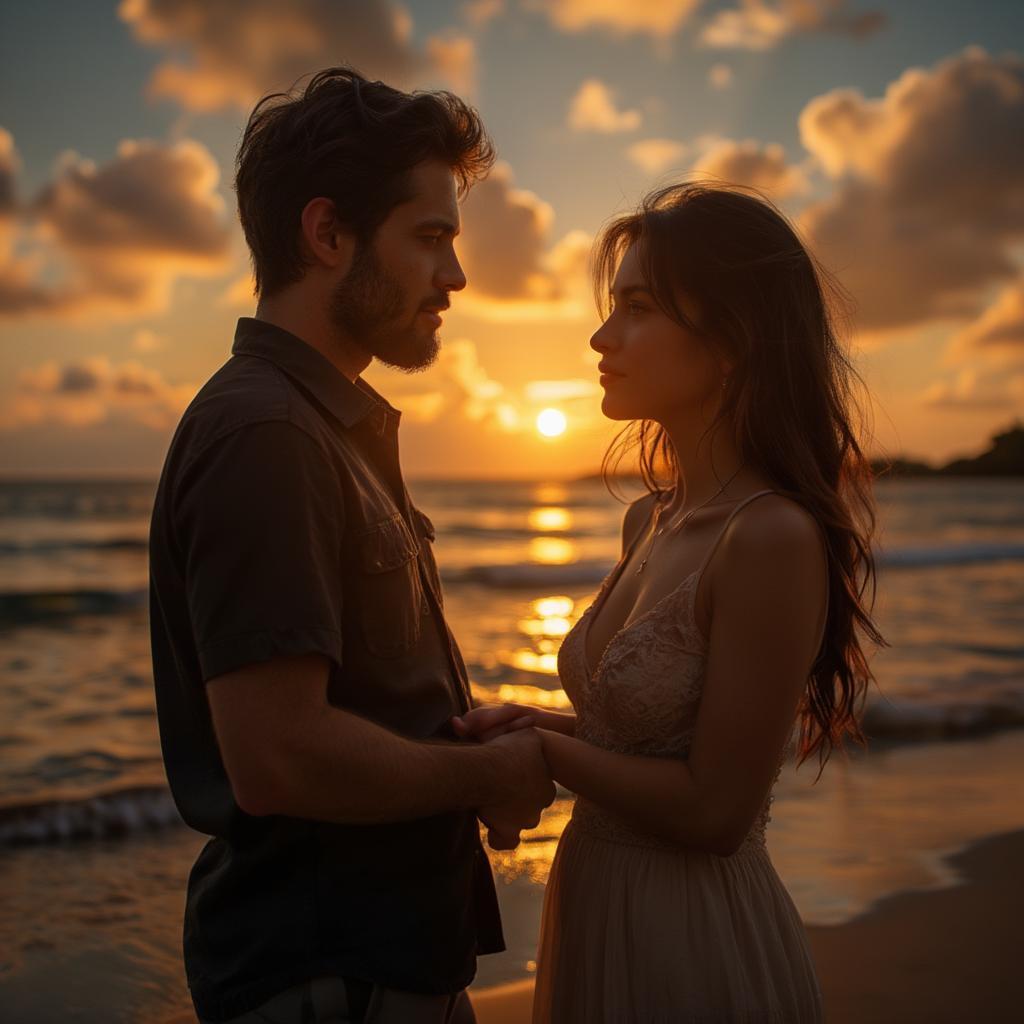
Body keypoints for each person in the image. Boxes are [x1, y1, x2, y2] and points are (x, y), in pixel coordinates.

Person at [148, 67, 555, 1024]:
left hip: (373, 968)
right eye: (430, 238)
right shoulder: (269, 434)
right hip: (330, 980)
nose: (453, 277)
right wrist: (484, 776)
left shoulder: (325, 428)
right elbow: (279, 755)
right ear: (327, 234)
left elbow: (338, 704)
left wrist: (458, 727)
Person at [453, 181, 888, 1022]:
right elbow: (642, 750)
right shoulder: (648, 520)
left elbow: (715, 809)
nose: (600, 336)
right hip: (596, 904)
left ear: (734, 338)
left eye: (638, 308)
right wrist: (534, 722)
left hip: (691, 937)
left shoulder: (770, 537)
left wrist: (544, 758)